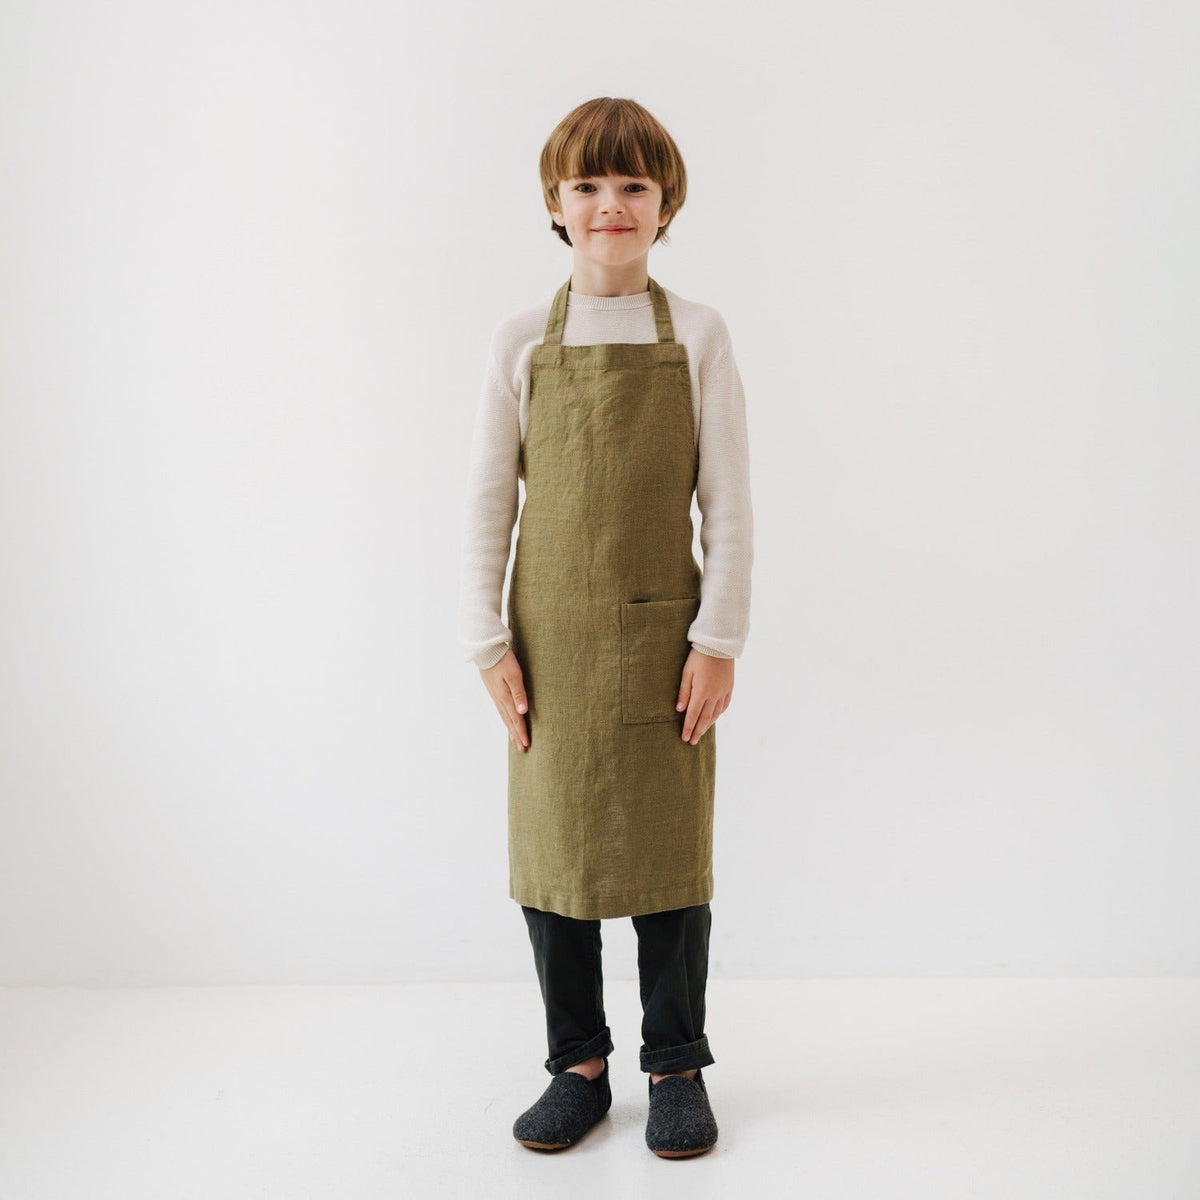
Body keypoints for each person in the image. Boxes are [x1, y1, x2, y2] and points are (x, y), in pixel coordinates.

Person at [457, 96, 753, 1158]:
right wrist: (486, 642)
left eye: (633, 184)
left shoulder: (700, 335)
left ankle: (676, 1064)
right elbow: (489, 499)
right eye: (587, 184)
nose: (610, 204)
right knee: (558, 859)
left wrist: (718, 639)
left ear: (667, 203)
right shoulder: (520, 340)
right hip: (548, 646)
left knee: (669, 862)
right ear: (555, 204)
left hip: (668, 644)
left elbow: (728, 501)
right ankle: (576, 1065)